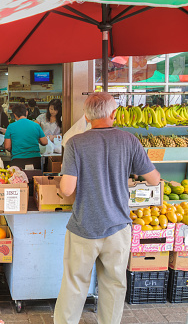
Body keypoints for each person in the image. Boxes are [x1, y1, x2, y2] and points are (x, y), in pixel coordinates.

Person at [54, 93, 160, 324]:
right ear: (114, 114)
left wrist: (62, 188)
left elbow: (68, 188)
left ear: (86, 116)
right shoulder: (129, 140)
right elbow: (154, 179)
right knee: (113, 284)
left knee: (74, 283)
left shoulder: (75, 143)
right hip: (118, 226)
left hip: (83, 226)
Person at [4, 104, 48, 170]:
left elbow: (7, 146)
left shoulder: (11, 127)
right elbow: (45, 142)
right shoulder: (36, 125)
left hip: (17, 160)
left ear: (15, 115)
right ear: (26, 112)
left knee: (18, 180)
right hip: (35, 160)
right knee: (35, 179)